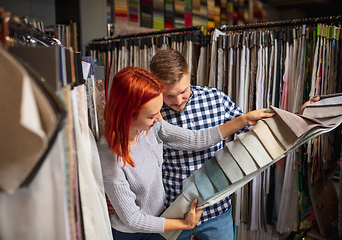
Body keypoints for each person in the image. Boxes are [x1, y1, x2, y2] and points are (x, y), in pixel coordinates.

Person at [149, 49, 320, 240]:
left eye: (183, 91)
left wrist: (298, 118)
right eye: (170, 96)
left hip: (216, 211)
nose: (178, 101)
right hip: (172, 212)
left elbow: (255, 134)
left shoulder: (215, 99)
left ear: (189, 72)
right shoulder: (150, 113)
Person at [98, 66, 274, 240]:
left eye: (159, 111)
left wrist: (244, 120)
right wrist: (185, 224)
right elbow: (133, 220)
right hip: (133, 234)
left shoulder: (151, 128)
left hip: (161, 222)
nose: (159, 118)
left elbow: (195, 140)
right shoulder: (110, 155)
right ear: (128, 114)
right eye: (152, 115)